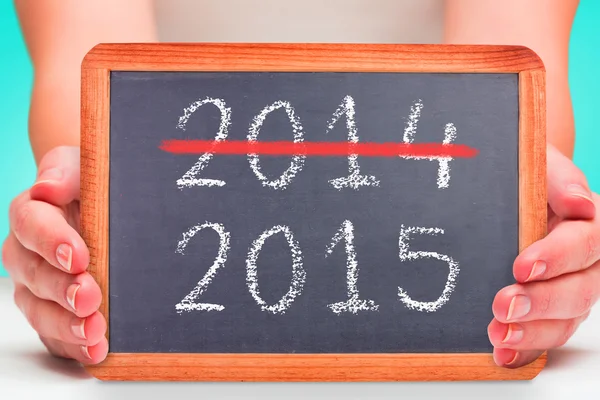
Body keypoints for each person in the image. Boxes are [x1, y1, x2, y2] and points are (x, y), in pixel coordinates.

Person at [2, 0, 597, 369]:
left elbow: (506, 75)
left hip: (447, 311)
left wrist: (529, 207)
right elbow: (91, 70)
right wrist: (83, 216)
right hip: (169, 299)